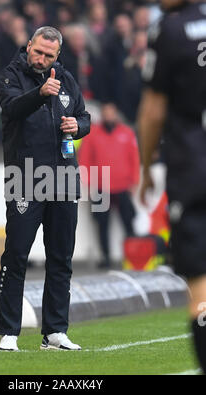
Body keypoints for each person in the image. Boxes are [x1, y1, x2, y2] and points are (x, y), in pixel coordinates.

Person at [0, 26, 90, 351]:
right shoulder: (11, 76)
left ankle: (55, 332)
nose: (42, 59)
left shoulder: (67, 79)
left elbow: (84, 115)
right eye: (38, 52)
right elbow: (11, 110)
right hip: (25, 178)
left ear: (57, 55)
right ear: (28, 46)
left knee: (61, 257)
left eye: (49, 55)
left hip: (64, 178)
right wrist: (41, 93)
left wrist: (79, 127)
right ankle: (9, 331)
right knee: (17, 255)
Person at [138, 0, 206, 374]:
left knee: (200, 289)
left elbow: (153, 111)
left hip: (195, 172)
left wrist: (147, 167)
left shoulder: (170, 30)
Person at [79, 103, 140, 268]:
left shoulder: (126, 133)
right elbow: (85, 159)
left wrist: (134, 181)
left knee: (129, 222)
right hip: (101, 187)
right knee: (102, 224)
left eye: (111, 113)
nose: (109, 116)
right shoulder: (92, 135)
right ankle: (105, 257)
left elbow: (134, 158)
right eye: (106, 113)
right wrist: (89, 183)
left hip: (122, 186)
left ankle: (134, 257)